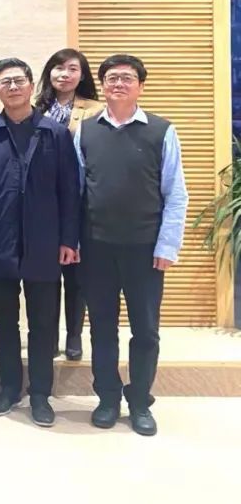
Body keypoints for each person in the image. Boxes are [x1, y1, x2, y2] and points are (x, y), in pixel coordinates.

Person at [75, 54, 188, 436]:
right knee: (102, 328)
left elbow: (176, 193)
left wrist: (167, 246)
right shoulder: (85, 131)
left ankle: (140, 401)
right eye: (111, 78)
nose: (118, 84)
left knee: (146, 330)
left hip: (145, 250)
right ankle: (107, 398)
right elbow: (77, 192)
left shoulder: (161, 131)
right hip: (96, 247)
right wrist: (74, 241)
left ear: (140, 85)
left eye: (126, 78)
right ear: (102, 85)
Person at [0, 58, 80, 427]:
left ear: (31, 85)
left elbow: (70, 190)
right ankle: (8, 388)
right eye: (5, 82)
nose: (13, 87)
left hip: (45, 241)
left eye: (19, 80)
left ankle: (40, 394)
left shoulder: (56, 133)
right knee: (4, 320)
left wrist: (69, 238)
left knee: (43, 321)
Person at [35, 48, 102, 361]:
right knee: (47, 277)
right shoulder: (37, 108)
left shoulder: (96, 110)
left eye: (72, 69)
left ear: (82, 75)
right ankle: (48, 336)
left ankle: (74, 335)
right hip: (45, 203)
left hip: (81, 201)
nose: (65, 74)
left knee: (75, 275)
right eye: (58, 68)